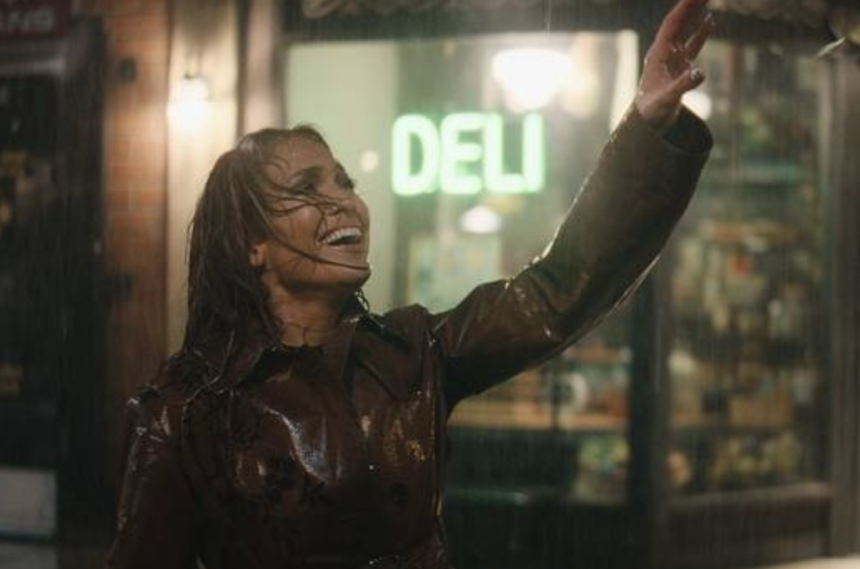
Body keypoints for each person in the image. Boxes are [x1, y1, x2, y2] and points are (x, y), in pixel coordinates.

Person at [108, 0, 714, 567]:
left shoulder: (411, 353)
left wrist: (646, 125)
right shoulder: (186, 408)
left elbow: (555, 293)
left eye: (344, 182)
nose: (344, 202)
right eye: (307, 189)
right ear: (251, 244)